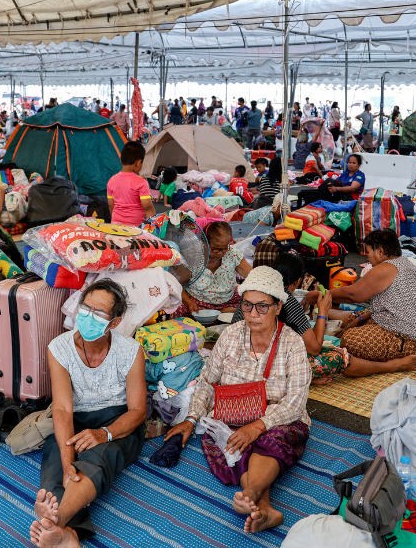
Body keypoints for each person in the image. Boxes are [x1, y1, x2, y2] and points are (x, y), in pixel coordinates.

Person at [165, 266, 311, 534]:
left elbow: (295, 403)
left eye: (262, 307)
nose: (253, 314)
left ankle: (252, 492)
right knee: (230, 442)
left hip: (278, 420)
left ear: (278, 307)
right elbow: (208, 381)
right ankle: (264, 507)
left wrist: (257, 426)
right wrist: (191, 418)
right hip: (231, 418)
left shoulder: (292, 343)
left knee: (269, 441)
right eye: (247, 305)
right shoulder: (230, 336)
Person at [30, 280, 145, 548]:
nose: (88, 317)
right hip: (76, 418)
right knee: (57, 465)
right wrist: (68, 459)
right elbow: (62, 408)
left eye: (100, 313)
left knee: (98, 458)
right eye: (86, 308)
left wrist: (105, 434)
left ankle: (56, 524)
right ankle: (67, 536)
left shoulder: (130, 351)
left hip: (118, 424)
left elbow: (139, 411)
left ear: (114, 323)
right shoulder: (59, 348)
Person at [233, 253, 416, 385]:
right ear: (298, 281)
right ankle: (390, 366)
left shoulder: (250, 294)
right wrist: (323, 310)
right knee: (337, 355)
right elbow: (314, 349)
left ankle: (304, 379)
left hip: (239, 364)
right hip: (264, 369)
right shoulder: (286, 300)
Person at [324, 229, 416, 364]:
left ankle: (392, 365)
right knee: (358, 316)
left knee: (349, 340)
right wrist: (355, 321)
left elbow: (353, 294)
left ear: (380, 252)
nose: (367, 256)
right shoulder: (407, 263)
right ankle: (322, 312)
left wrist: (323, 295)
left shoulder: (387, 267)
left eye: (368, 252)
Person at [174, 221, 253, 316]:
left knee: (251, 307)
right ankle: (222, 313)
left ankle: (221, 313)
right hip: (198, 303)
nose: (220, 253)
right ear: (205, 242)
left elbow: (254, 277)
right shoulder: (192, 257)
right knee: (177, 311)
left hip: (228, 301)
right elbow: (177, 284)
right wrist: (189, 303)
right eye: (216, 248)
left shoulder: (233, 255)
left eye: (224, 248)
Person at [106, 141, 155, 227]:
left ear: (121, 160)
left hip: (115, 225)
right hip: (135, 227)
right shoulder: (141, 182)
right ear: (138, 163)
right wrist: (153, 226)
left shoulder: (111, 180)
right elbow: (147, 207)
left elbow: (111, 205)